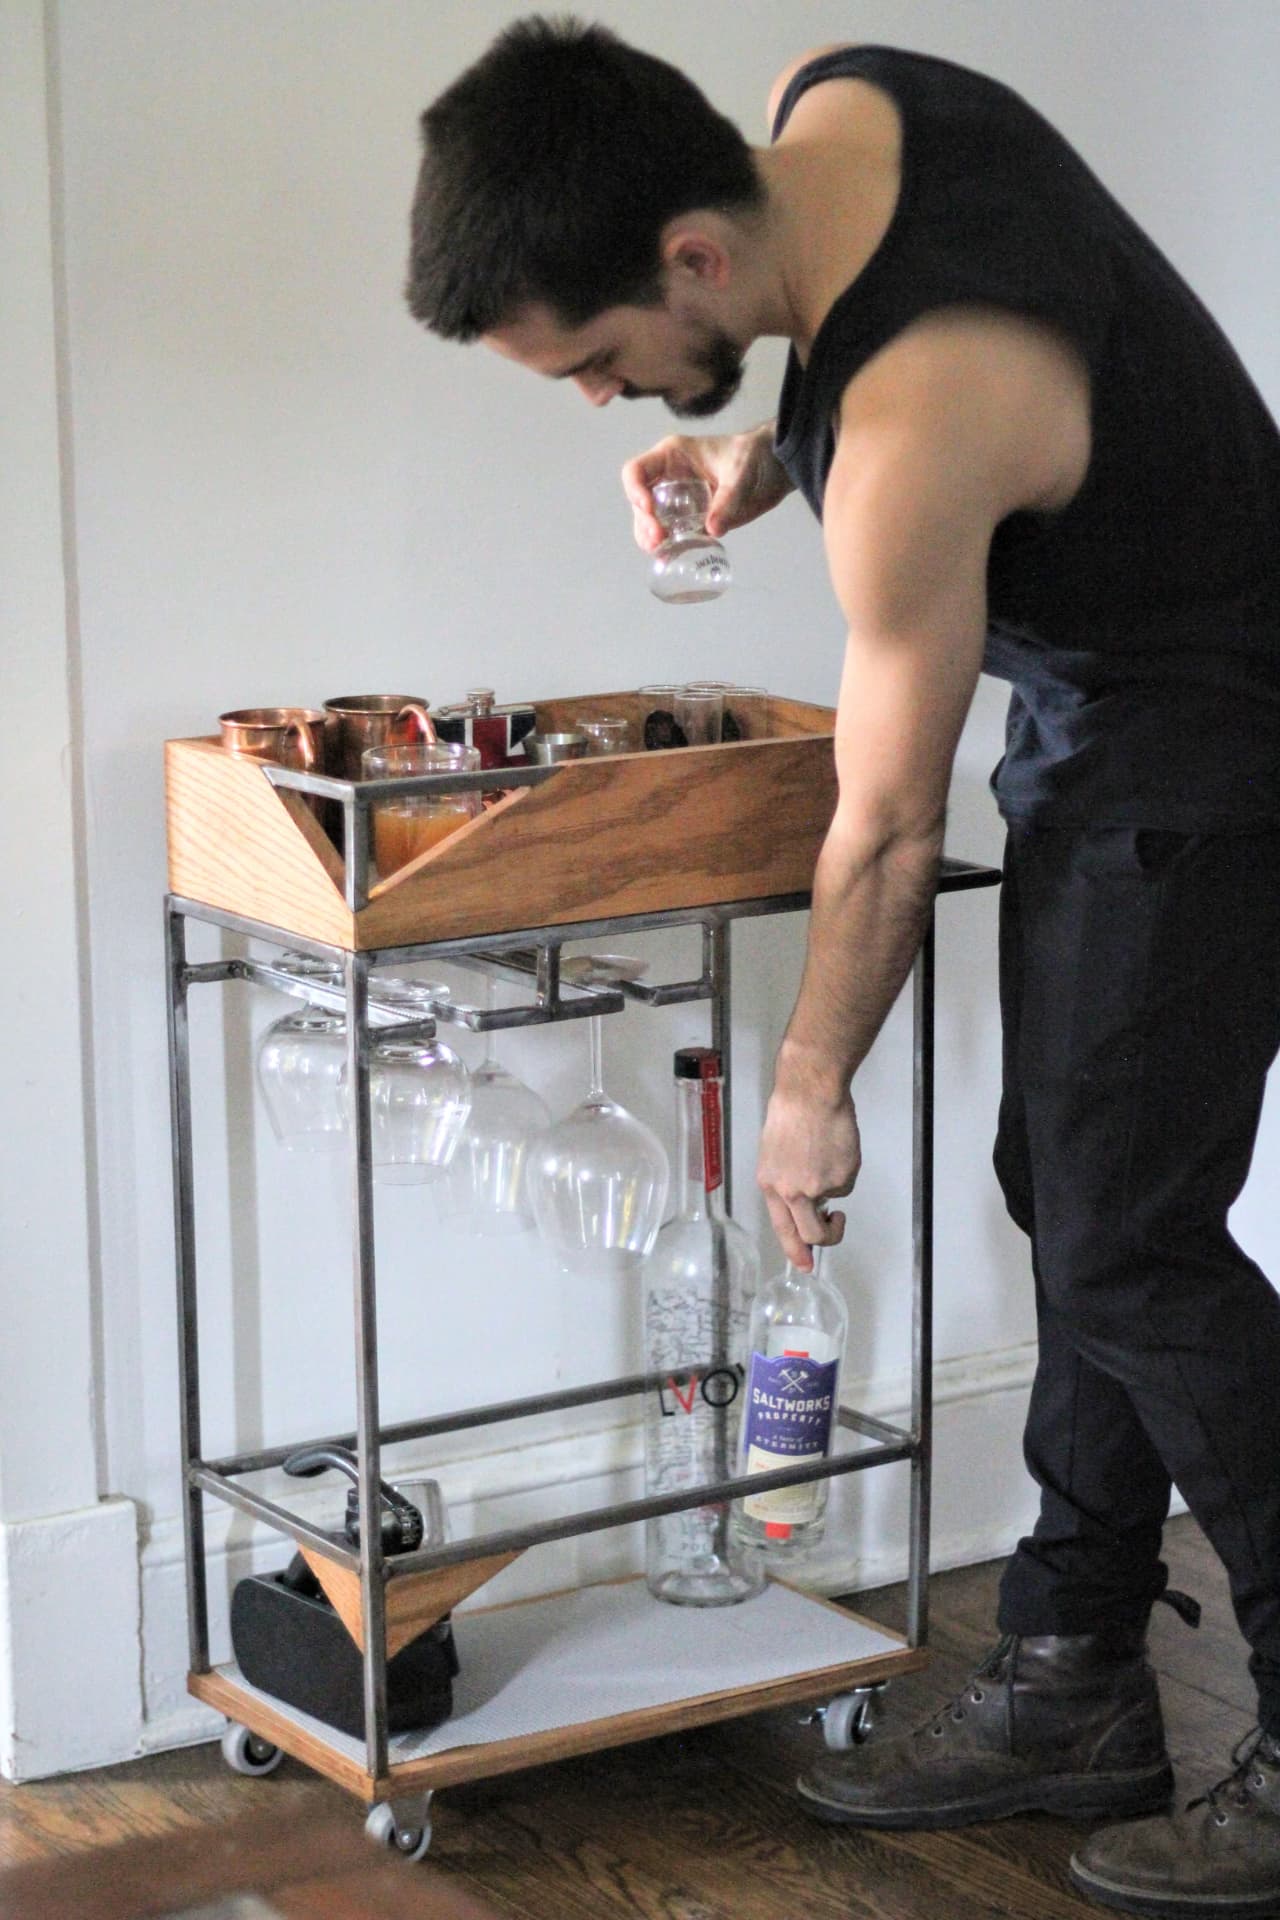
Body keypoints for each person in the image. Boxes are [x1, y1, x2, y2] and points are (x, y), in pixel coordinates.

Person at [405, 19, 1280, 1916]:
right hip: (1121, 698)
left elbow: (883, 837)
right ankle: (1070, 1680)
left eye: (597, 362)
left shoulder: (918, 419)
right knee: (1072, 1192)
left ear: (692, 260)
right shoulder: (842, 100)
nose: (598, 402)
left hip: (1214, 736)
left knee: (1135, 1241)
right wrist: (758, 460)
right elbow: (939, 403)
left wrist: (804, 1092)